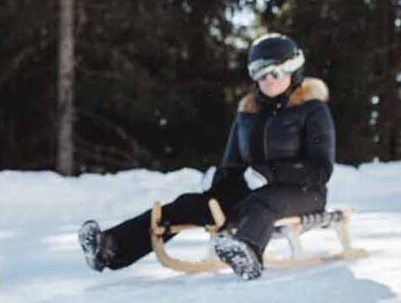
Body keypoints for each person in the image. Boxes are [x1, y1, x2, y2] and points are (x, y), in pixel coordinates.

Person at [76, 33, 335, 280]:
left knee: (261, 202)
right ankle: (111, 247)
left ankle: (247, 252)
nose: (267, 79)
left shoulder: (312, 111)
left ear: (293, 69)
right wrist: (219, 178)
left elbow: (320, 169)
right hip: (253, 191)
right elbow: (233, 164)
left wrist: (271, 173)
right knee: (189, 204)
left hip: (304, 192)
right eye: (258, 71)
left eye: (274, 72)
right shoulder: (247, 114)